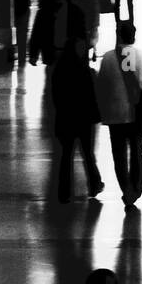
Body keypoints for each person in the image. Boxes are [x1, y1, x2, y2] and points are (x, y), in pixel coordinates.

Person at [96, 22, 142, 208]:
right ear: (134, 35)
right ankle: (137, 188)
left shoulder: (107, 58)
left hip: (115, 115)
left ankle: (126, 190)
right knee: (137, 151)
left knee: (119, 155)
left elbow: (101, 87)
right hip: (136, 112)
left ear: (118, 35)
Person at [51, 35, 104, 203]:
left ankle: (64, 192)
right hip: (84, 120)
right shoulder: (85, 71)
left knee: (66, 156)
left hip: (66, 120)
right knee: (88, 154)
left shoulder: (59, 70)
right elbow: (92, 97)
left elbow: (56, 96)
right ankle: (94, 185)